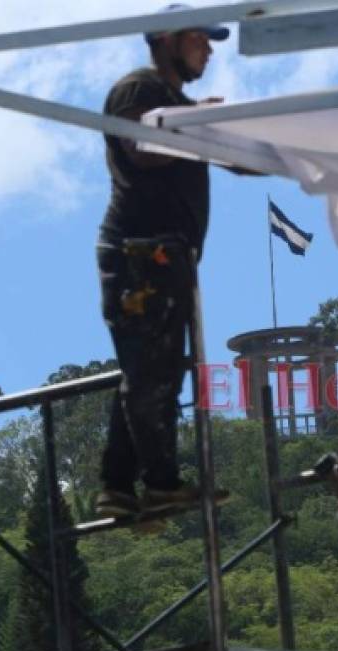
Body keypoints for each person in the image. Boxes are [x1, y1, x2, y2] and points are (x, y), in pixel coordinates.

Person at [94, 4, 233, 518]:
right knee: (153, 369)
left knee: (151, 366)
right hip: (139, 251)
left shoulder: (176, 104)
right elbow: (142, 148)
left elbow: (232, 159)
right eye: (201, 38)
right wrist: (200, 126)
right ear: (170, 39)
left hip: (162, 253)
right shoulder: (139, 91)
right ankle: (159, 482)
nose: (209, 49)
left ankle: (118, 484)